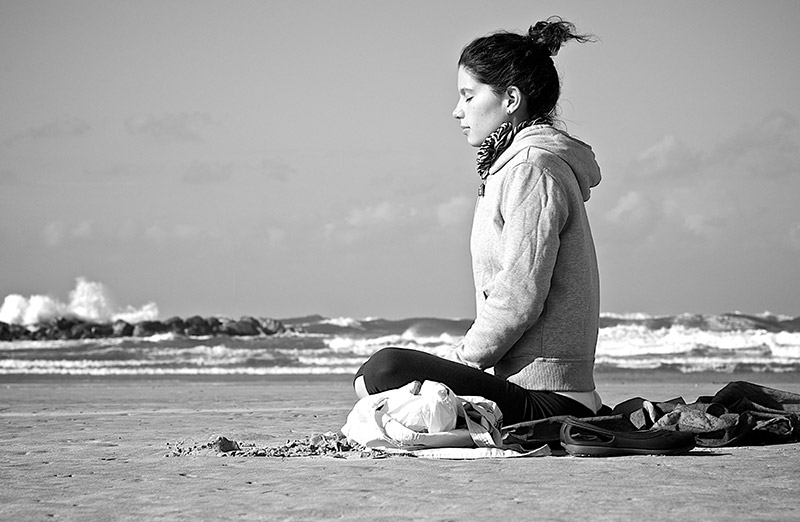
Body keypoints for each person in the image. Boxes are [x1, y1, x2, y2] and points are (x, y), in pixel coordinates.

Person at [353, 17, 603, 426]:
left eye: (468, 96)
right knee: (373, 381)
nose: (457, 111)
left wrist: (461, 364)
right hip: (521, 385)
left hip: (551, 397)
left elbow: (520, 294)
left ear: (510, 99)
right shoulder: (510, 167)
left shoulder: (532, 169)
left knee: (383, 370)